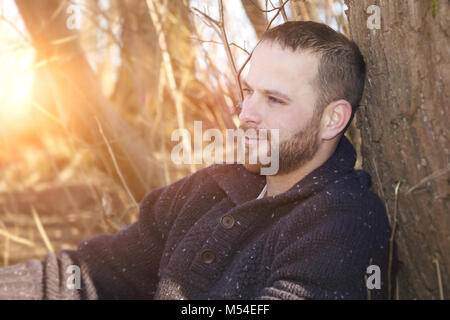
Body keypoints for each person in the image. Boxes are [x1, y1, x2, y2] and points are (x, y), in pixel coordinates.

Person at [0, 21, 395, 300]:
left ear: (333, 119)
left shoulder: (346, 221)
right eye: (248, 92)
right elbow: (89, 274)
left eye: (274, 100)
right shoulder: (207, 190)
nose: (246, 113)